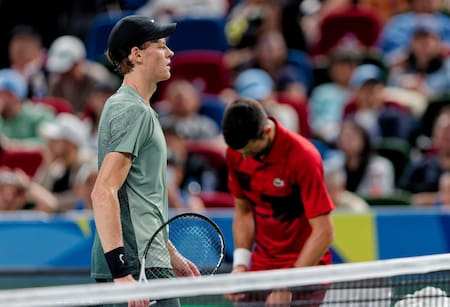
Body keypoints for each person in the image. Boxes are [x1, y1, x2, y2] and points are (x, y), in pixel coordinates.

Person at [89, 15, 199, 307]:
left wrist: (170, 253)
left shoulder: (133, 107)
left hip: (146, 261)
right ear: (136, 54)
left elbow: (140, 198)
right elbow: (103, 192)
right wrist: (123, 274)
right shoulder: (130, 109)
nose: (170, 53)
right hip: (138, 268)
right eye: (161, 46)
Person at [222, 97, 335, 306]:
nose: (244, 159)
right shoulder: (236, 152)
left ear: (266, 132)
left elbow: (324, 232)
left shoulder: (304, 157)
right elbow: (244, 211)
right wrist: (240, 265)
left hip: (305, 270)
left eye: (250, 152)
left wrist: (289, 282)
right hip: (261, 268)